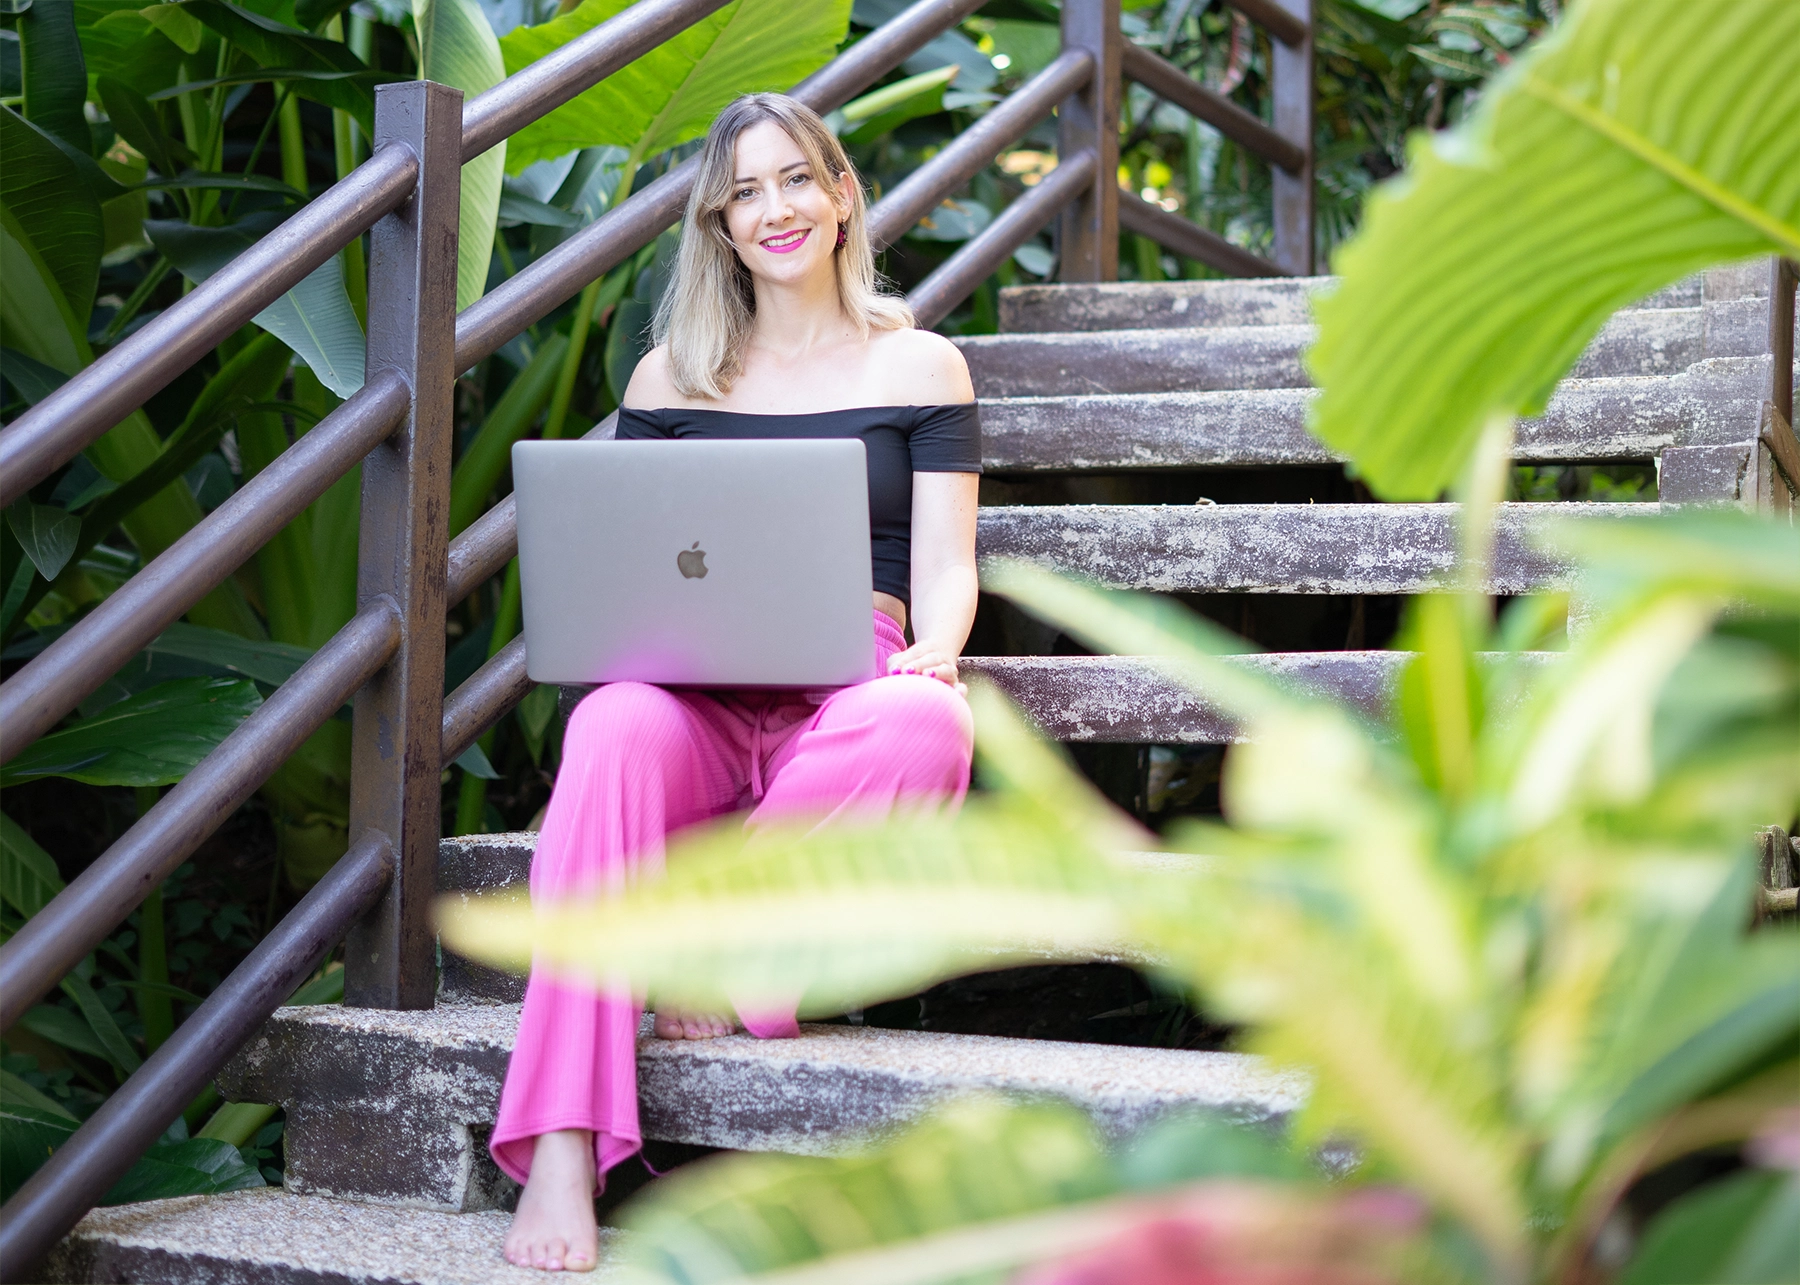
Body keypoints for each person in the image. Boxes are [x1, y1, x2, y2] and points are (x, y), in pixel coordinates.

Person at [493, 92, 982, 1272]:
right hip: (694, 699)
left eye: (797, 179)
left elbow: (947, 562)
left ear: (841, 193)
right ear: (718, 224)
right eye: (745, 191)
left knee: (925, 716)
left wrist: (938, 648)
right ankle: (562, 1144)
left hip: (852, 685)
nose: (776, 209)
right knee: (610, 721)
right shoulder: (670, 381)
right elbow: (618, 557)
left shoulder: (922, 362)